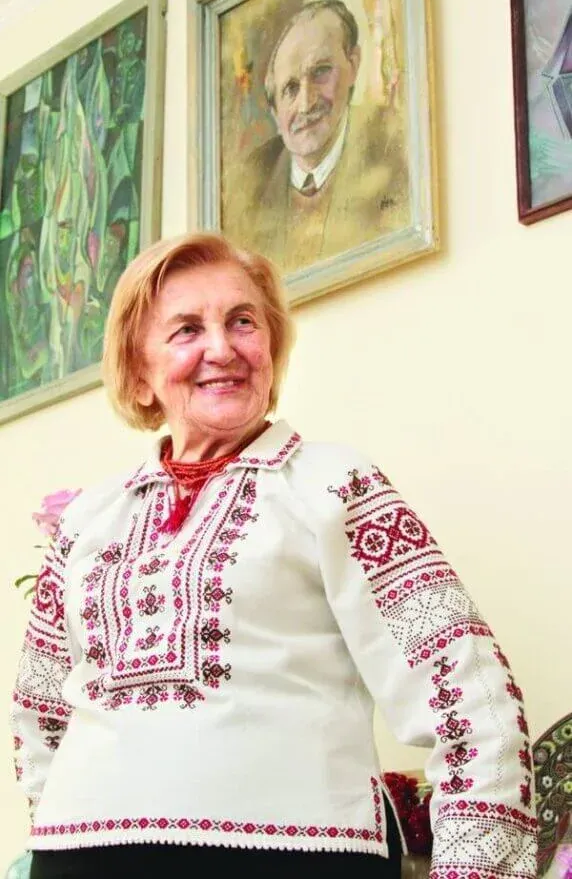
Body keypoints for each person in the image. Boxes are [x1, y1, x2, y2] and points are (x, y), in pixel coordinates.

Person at [11, 232, 537, 879]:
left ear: (271, 347)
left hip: (299, 858)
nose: (222, 348)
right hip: (78, 859)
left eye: (242, 321)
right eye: (187, 329)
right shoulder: (88, 519)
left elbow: (470, 695)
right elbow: (39, 712)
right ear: (140, 372)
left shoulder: (335, 486)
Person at [224, 0, 409, 273]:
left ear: (353, 65)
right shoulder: (249, 184)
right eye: (290, 88)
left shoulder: (396, 145)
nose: (306, 104)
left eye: (320, 72)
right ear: (275, 111)